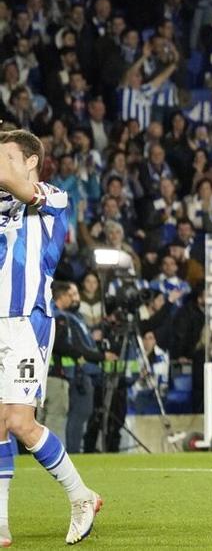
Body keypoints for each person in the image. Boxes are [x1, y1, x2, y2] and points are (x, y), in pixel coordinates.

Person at [0, 129, 101, 545]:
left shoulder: (53, 197)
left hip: (29, 319)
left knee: (22, 423)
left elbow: (16, 186)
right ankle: (1, 521)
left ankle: (81, 496)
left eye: (7, 156)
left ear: (30, 161)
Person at [47, 281, 109, 454]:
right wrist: (80, 354)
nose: (74, 299)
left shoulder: (56, 315)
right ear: (62, 296)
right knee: (56, 418)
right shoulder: (59, 316)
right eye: (71, 295)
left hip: (53, 374)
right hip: (59, 375)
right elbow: (61, 344)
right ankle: (55, 456)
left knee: (45, 419)